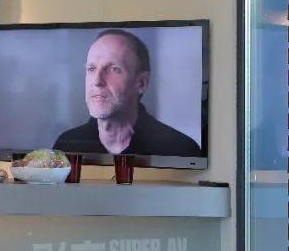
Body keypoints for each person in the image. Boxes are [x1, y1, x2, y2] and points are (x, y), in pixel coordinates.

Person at [53, 29, 201, 157]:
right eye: (91, 69)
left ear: (141, 83)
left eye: (113, 69)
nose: (97, 81)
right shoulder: (66, 146)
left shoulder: (180, 149)